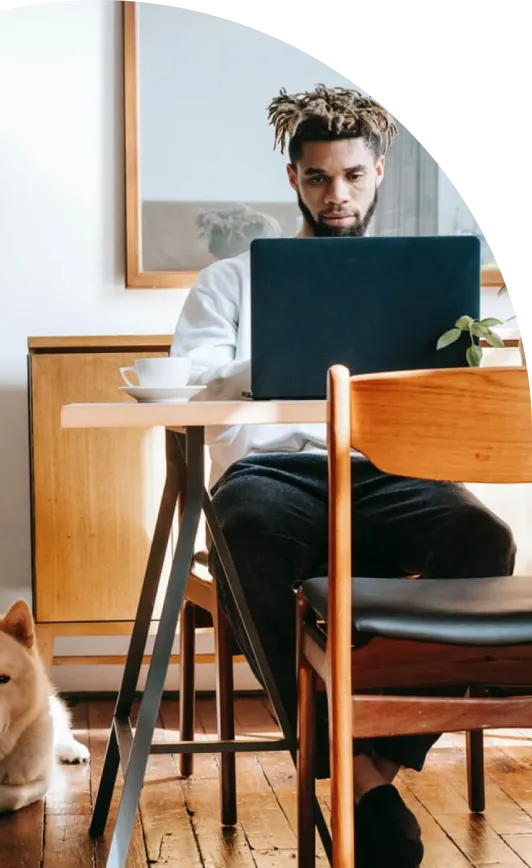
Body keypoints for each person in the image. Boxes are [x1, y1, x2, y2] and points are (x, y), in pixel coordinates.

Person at [169, 83, 517, 868]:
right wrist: (298, 352)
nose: (338, 195)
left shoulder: (416, 286)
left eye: (354, 176)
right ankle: (337, 766)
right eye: (320, 178)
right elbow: (192, 386)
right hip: (273, 474)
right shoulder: (229, 282)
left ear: (379, 172)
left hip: (385, 471)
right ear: (294, 178)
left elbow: (446, 401)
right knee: (244, 527)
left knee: (483, 540)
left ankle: (366, 770)